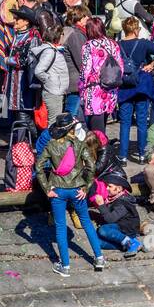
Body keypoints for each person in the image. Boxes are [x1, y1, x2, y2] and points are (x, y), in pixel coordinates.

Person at [35, 113, 104, 276]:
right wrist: (86, 187)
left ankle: (65, 266)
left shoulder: (51, 145)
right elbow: (91, 166)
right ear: (71, 129)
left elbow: (38, 167)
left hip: (58, 190)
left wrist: (47, 189)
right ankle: (99, 258)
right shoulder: (80, 144)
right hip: (77, 190)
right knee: (86, 221)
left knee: (60, 226)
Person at [115, 17, 154, 164]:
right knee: (142, 122)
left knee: (125, 123)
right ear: (136, 29)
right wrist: (152, 65)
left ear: (124, 30)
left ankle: (123, 156)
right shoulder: (143, 43)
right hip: (141, 86)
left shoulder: (118, 45)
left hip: (124, 86)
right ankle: (142, 155)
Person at [88, 171, 146, 259]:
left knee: (103, 230)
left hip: (126, 230)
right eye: (107, 186)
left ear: (119, 189)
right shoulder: (112, 199)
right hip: (118, 228)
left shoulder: (123, 202)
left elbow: (110, 219)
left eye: (110, 186)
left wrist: (101, 205)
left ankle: (131, 243)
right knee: (97, 242)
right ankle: (129, 244)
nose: (107, 188)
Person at [79, 16, 122, 134]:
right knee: (102, 124)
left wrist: (82, 87)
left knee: (96, 130)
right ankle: (102, 149)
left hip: (95, 90)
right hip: (111, 89)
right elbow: (120, 66)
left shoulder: (89, 45)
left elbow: (86, 70)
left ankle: (100, 151)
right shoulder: (113, 44)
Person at [29, 23, 69, 125]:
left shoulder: (51, 49)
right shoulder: (49, 51)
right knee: (53, 123)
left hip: (55, 91)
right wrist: (50, 80)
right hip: (53, 92)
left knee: (54, 122)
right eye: (62, 35)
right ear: (57, 36)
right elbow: (38, 71)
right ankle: (48, 141)